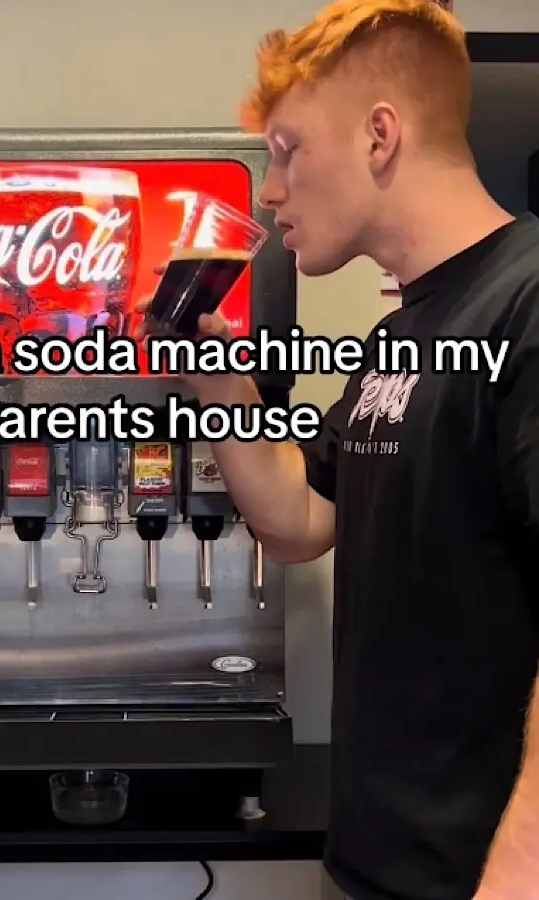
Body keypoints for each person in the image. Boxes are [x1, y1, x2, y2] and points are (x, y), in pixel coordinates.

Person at [137, 2, 539, 898]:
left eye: (287, 150)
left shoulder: (527, 302)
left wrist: (518, 875)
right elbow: (299, 521)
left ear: (379, 136)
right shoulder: (403, 338)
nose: (269, 189)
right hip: (369, 867)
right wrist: (218, 389)